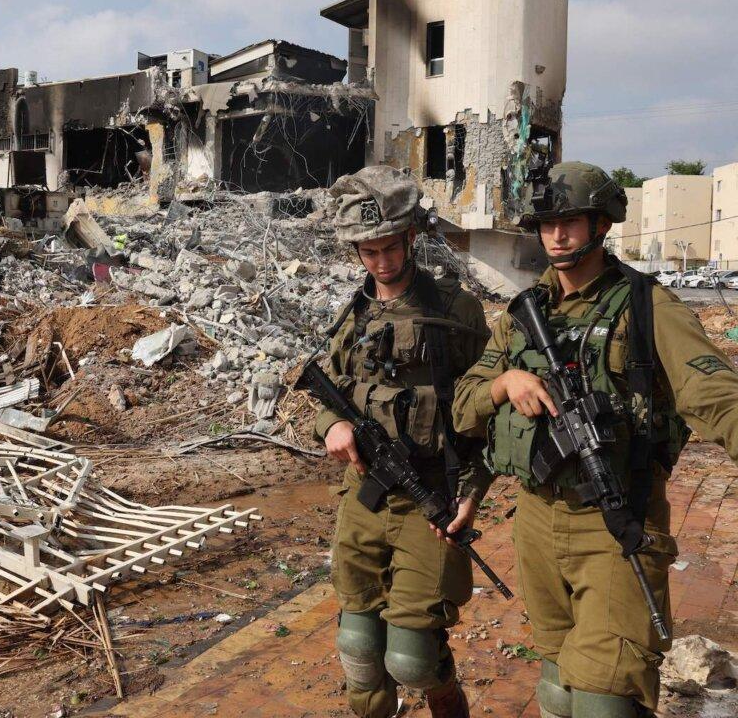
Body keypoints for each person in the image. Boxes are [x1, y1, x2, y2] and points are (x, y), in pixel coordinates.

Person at [452, 162, 738, 717]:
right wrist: (505, 383)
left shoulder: (646, 305)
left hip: (618, 520)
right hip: (535, 520)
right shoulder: (522, 315)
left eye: (572, 222)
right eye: (547, 223)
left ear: (602, 224)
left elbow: (713, 393)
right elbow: (466, 404)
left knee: (608, 700)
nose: (557, 235)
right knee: (559, 687)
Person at [316, 166, 492, 718]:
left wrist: (472, 492)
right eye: (368, 252)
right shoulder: (354, 315)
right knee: (358, 650)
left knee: (413, 660)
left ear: (411, 237)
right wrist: (332, 427)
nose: (382, 263)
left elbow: (485, 410)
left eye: (390, 248)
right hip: (363, 498)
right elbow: (329, 391)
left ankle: (448, 703)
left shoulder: (456, 311)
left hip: (430, 502)